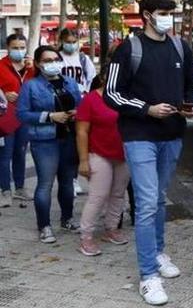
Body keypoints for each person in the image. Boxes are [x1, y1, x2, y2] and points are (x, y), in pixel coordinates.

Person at [104, 0, 193, 306]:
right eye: (162, 12)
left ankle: (158, 253)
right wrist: (147, 108)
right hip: (139, 135)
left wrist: (191, 105)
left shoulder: (179, 46)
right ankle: (148, 276)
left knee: (158, 199)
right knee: (146, 203)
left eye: (171, 12)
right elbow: (111, 94)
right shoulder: (128, 50)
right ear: (146, 14)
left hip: (172, 134)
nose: (167, 18)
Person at [17, 46, 82, 243]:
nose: (52, 63)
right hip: (45, 141)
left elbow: (80, 105)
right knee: (45, 184)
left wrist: (76, 113)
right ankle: (44, 226)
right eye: (47, 60)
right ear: (37, 63)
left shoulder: (70, 82)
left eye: (55, 59)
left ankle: (67, 218)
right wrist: (49, 116)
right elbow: (21, 113)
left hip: (69, 138)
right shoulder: (31, 86)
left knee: (67, 182)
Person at [76, 74, 130, 256]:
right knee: (98, 196)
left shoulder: (128, 97)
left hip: (124, 154)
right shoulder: (91, 99)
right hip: (98, 153)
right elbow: (82, 131)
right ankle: (86, 236)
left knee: (118, 194)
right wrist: (83, 160)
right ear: (104, 78)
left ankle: (111, 228)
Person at [59, 27, 97, 197]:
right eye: (68, 42)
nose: (71, 45)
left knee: (82, 140)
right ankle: (70, 180)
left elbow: (91, 79)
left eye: (74, 42)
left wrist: (87, 97)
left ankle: (80, 178)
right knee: (68, 144)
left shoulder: (83, 59)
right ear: (61, 41)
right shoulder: (57, 59)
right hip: (63, 104)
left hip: (82, 103)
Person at [0, 34, 35, 207]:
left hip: (24, 116)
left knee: (20, 152)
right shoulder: (1, 66)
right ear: (8, 47)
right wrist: (4, 94)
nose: (19, 51)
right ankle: (5, 190)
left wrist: (33, 67)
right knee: (5, 154)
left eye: (22, 47)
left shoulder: (30, 68)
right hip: (5, 117)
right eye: (15, 47)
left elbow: (39, 86)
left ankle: (20, 188)